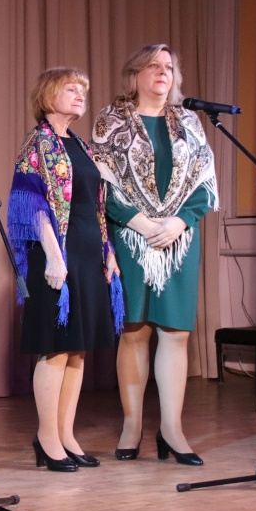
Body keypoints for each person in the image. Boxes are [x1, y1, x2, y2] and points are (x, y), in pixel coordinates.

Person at [91, 44, 218, 466]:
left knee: (176, 333)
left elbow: (204, 180)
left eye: (169, 67)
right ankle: (132, 425)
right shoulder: (111, 120)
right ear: (135, 74)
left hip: (179, 239)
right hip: (131, 236)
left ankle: (172, 429)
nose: (163, 72)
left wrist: (180, 222)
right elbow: (102, 181)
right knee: (135, 330)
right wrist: (141, 223)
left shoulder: (189, 121)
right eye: (153, 66)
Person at [8, 67, 124, 472]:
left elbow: (96, 206)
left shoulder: (83, 146)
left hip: (88, 253)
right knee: (56, 347)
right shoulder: (38, 142)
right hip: (56, 255)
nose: (79, 95)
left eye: (82, 91)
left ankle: (66, 434)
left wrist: (108, 250)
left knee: (78, 350)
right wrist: (54, 256)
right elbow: (31, 204)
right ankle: (46, 437)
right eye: (70, 89)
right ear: (48, 95)